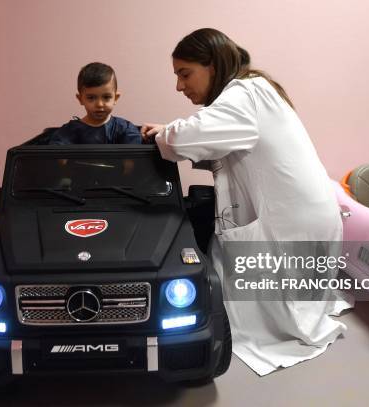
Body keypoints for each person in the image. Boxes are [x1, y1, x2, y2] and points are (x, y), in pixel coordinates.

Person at [142, 28, 352, 376]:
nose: (180, 87)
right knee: (224, 267)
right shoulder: (255, 90)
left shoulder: (244, 93)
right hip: (309, 218)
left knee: (227, 300)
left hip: (291, 225)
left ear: (212, 66)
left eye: (184, 73)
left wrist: (164, 133)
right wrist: (169, 130)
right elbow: (215, 141)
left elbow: (185, 138)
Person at [48, 62, 142, 144]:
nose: (100, 104)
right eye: (91, 98)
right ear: (80, 99)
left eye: (106, 97)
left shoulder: (125, 130)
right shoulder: (69, 131)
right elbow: (59, 160)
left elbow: (130, 162)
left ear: (115, 98)